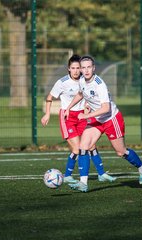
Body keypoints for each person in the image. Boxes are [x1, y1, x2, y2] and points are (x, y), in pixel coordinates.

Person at [64, 55, 142, 192]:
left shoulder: (99, 84)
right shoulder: (81, 80)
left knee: (121, 152)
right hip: (98, 119)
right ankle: (83, 183)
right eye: (83, 67)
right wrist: (69, 107)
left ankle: (141, 166)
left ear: (94, 68)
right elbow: (80, 94)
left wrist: (86, 115)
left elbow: (106, 108)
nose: (85, 70)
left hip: (111, 119)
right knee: (83, 147)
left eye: (88, 67)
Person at [41, 54, 116, 184]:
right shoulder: (62, 82)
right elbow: (50, 97)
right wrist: (47, 114)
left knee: (91, 145)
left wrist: (87, 107)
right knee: (77, 148)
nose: (76, 71)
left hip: (82, 116)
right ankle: (68, 175)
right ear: (69, 69)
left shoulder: (85, 80)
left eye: (78, 68)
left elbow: (90, 97)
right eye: (73, 68)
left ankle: (101, 173)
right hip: (67, 117)